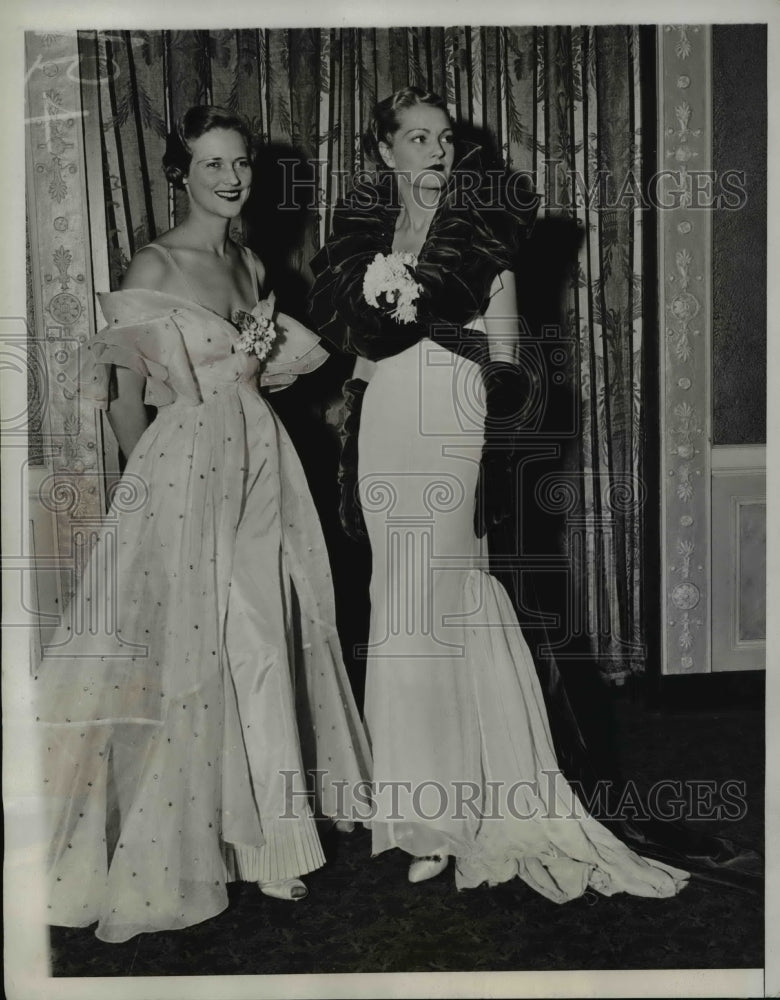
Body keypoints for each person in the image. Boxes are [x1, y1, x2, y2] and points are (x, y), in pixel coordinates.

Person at [309, 86, 689, 901]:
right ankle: (416, 812)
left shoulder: (488, 241)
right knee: (397, 604)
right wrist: (361, 385)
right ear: (385, 152)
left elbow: (507, 362)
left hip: (449, 428)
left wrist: (429, 322)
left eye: (443, 139)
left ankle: (471, 805)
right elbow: (366, 358)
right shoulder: (363, 241)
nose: (436, 153)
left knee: (446, 601)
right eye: (416, 139)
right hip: (386, 434)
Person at [34, 105, 370, 943]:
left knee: (262, 634)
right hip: (183, 471)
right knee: (191, 648)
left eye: (240, 164)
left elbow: (250, 369)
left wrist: (267, 380)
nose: (230, 178)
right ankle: (220, 841)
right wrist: (142, 505)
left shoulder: (254, 264)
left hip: (259, 464)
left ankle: (268, 837)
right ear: (180, 173)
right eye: (212, 163)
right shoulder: (154, 263)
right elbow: (123, 403)